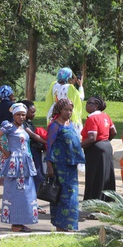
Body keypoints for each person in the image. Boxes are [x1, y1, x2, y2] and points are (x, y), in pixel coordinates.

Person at [0, 103, 38, 233]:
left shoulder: (23, 128)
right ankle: (16, 224)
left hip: (25, 162)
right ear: (13, 115)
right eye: (18, 115)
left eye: (23, 114)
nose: (21, 117)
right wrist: (4, 151)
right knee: (15, 193)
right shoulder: (9, 127)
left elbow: (32, 138)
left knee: (26, 192)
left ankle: (20, 222)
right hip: (15, 164)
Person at [45, 98, 86, 232]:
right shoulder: (55, 125)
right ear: (59, 110)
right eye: (66, 109)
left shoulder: (70, 123)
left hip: (71, 165)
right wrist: (49, 166)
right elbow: (49, 145)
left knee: (73, 196)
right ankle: (60, 225)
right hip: (59, 166)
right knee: (62, 195)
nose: (69, 112)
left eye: (70, 110)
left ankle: (70, 225)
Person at [81, 96, 117, 206]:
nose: (86, 105)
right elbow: (114, 132)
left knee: (95, 178)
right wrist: (105, 141)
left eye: (89, 103)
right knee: (106, 176)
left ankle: (95, 206)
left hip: (95, 151)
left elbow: (92, 137)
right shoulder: (106, 116)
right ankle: (106, 204)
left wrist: (78, 146)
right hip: (106, 147)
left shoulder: (92, 118)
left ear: (96, 106)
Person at [18, 100, 48, 214]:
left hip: (35, 151)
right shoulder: (23, 124)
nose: (34, 114)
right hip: (30, 153)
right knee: (35, 177)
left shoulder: (29, 122)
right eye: (32, 112)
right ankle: (30, 203)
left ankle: (33, 202)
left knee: (38, 177)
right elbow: (33, 136)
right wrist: (47, 141)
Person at [45, 67, 83, 135]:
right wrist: (80, 86)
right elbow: (81, 97)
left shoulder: (53, 84)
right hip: (66, 110)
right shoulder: (70, 87)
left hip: (54, 111)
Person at [0, 85, 15, 186]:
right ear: (10, 94)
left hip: (1, 132)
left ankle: (1, 179)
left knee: (2, 155)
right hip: (11, 132)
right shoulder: (13, 105)